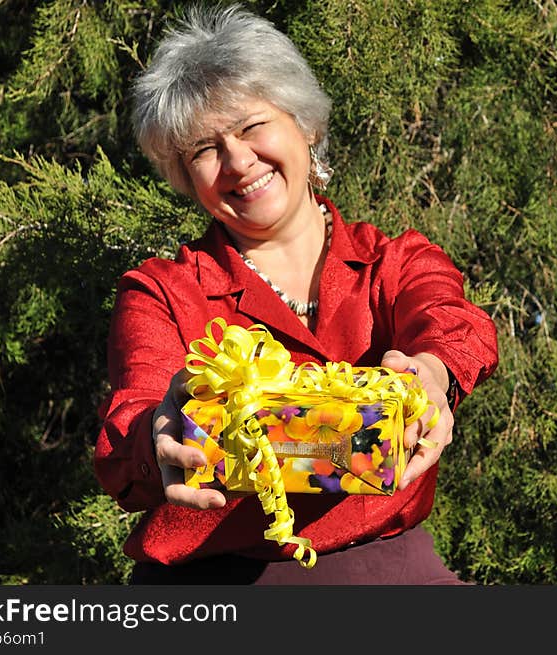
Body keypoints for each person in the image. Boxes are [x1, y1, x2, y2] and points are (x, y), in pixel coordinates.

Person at [94, 2, 499, 584]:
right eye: (204, 150)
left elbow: (450, 319)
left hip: (389, 565)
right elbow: (136, 408)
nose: (237, 160)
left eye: (253, 126)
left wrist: (434, 373)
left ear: (305, 125)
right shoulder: (163, 290)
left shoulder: (394, 262)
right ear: (187, 180)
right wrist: (157, 434)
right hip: (215, 583)